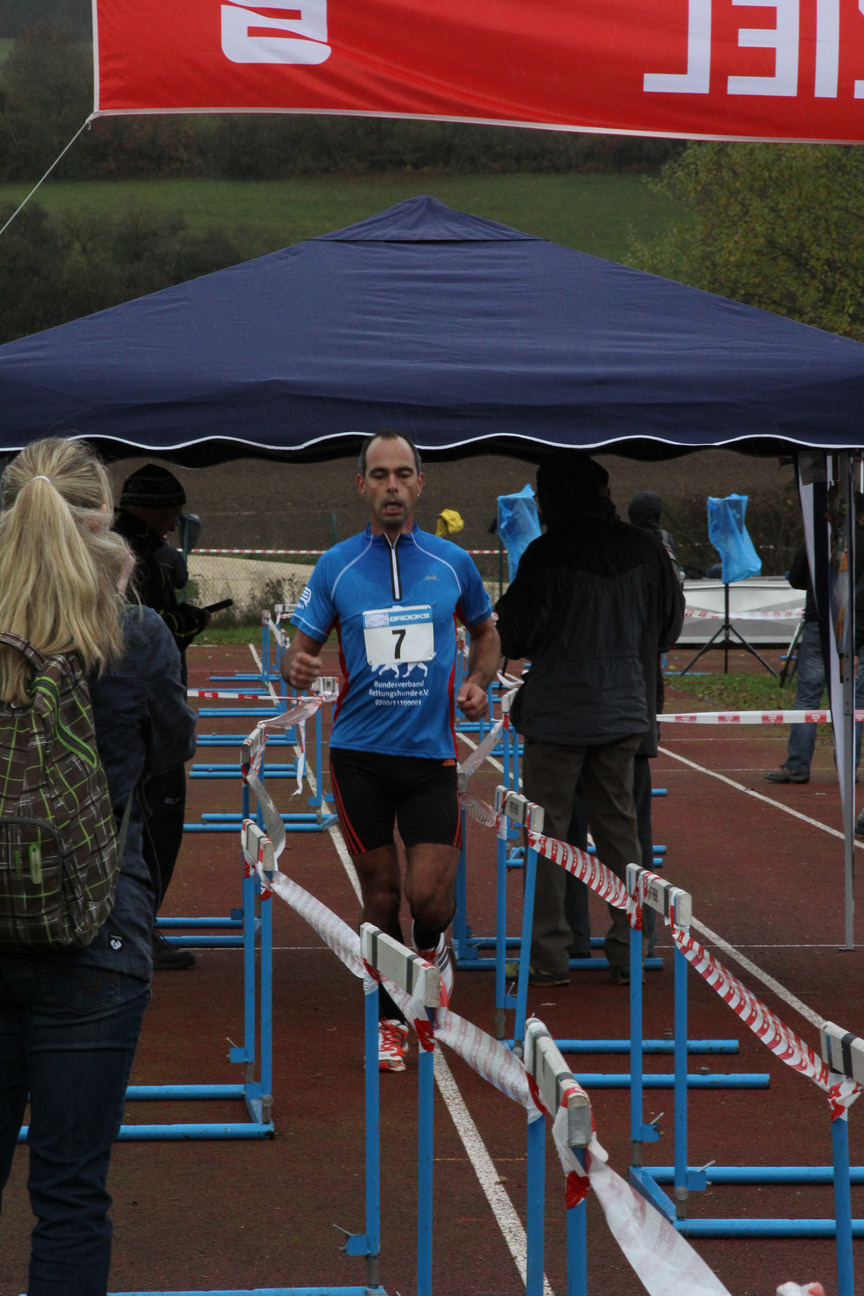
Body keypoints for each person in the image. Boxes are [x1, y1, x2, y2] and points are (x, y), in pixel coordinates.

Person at [0, 437, 197, 1296]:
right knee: (71, 1195)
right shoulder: (136, 633)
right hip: (97, 926)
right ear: (104, 518)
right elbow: (171, 754)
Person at [282, 430, 500, 1071]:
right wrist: (297, 665)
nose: (392, 486)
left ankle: (431, 951)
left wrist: (479, 681)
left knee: (430, 898)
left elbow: (487, 634)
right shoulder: (337, 566)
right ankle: (389, 1020)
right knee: (380, 897)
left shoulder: (452, 563)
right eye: (379, 476)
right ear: (362, 486)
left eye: (403, 474)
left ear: (421, 484)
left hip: (430, 757)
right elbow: (299, 650)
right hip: (359, 759)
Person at [495, 452, 684, 986]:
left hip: (557, 713)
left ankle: (549, 956)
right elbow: (670, 627)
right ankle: (630, 949)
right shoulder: (647, 549)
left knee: (548, 836)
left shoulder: (545, 552)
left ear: (552, 500)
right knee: (621, 832)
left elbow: (514, 635)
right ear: (605, 494)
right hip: (623, 708)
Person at [114, 464, 209, 970]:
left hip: (122, 714)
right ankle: (137, 930)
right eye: (171, 514)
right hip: (142, 717)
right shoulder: (135, 557)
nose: (174, 524)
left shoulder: (130, 550)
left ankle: (126, 927)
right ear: (147, 509)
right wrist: (183, 624)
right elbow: (147, 634)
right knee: (155, 825)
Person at [765, 512, 864, 787]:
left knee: (808, 697)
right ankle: (848, 766)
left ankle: (797, 765)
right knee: (855, 699)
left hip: (819, 621)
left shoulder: (816, 536)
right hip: (857, 623)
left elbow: (796, 578)